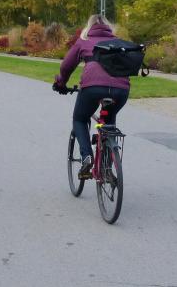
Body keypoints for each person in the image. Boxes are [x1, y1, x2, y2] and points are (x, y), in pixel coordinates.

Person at [53, 14, 130, 177]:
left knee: (80, 119)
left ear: (90, 26)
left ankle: (86, 156)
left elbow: (66, 66)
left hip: (92, 89)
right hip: (121, 91)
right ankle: (108, 167)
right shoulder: (117, 42)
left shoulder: (84, 41)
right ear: (108, 27)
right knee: (108, 122)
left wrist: (61, 83)